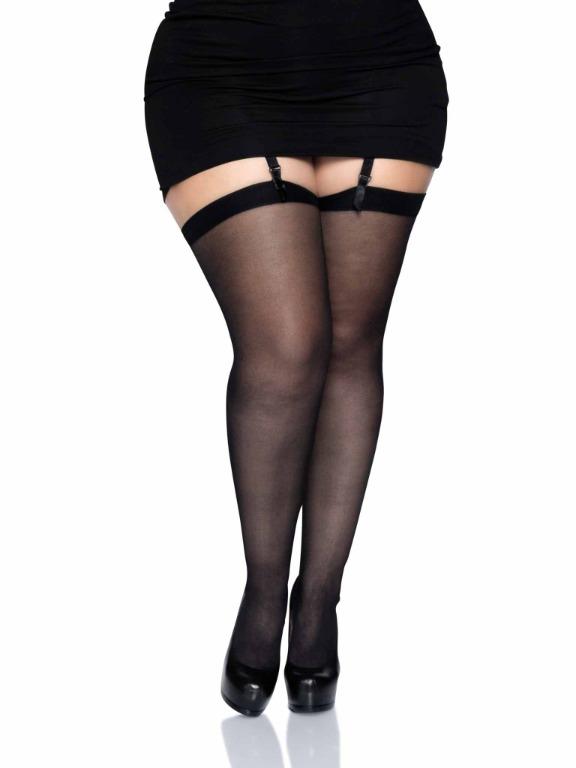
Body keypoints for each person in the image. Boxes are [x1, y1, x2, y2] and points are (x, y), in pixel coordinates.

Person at [143, 0, 448, 716]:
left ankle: (318, 604)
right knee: (286, 348)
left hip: (381, 61)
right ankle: (264, 593)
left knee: (351, 341)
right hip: (221, 61)